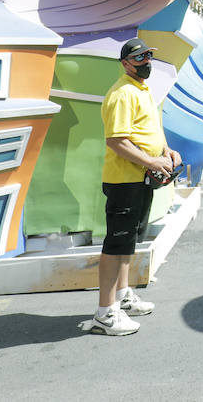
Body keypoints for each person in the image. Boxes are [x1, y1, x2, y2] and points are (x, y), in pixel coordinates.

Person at [81, 38, 183, 336]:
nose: (146, 62)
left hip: (138, 180)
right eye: (139, 58)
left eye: (149, 56)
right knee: (116, 244)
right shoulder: (122, 93)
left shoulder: (141, 90)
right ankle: (105, 312)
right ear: (125, 63)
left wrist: (165, 151)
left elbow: (150, 128)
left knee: (128, 242)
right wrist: (152, 162)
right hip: (124, 181)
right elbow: (117, 141)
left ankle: (122, 296)